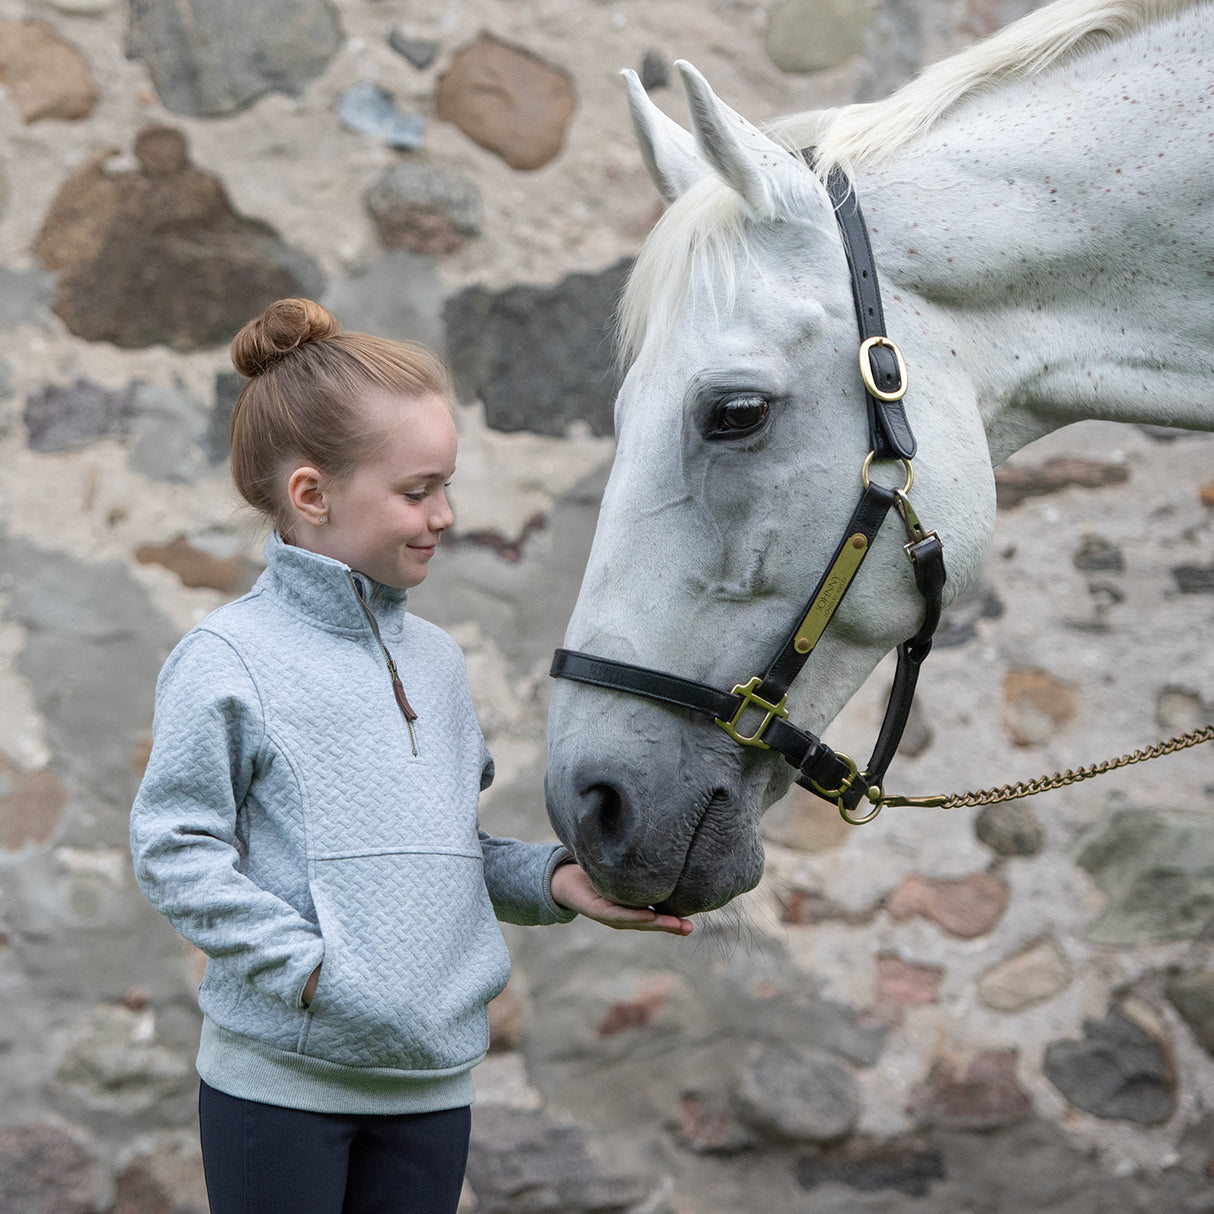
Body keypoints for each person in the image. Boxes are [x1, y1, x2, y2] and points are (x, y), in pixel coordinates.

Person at [129, 297, 693, 1214]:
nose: (445, 514)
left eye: (447, 485)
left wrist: (557, 884)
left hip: (432, 1086)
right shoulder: (227, 660)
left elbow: (442, 857)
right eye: (416, 490)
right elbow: (174, 848)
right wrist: (312, 973)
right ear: (311, 495)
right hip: (282, 1087)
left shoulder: (436, 660)